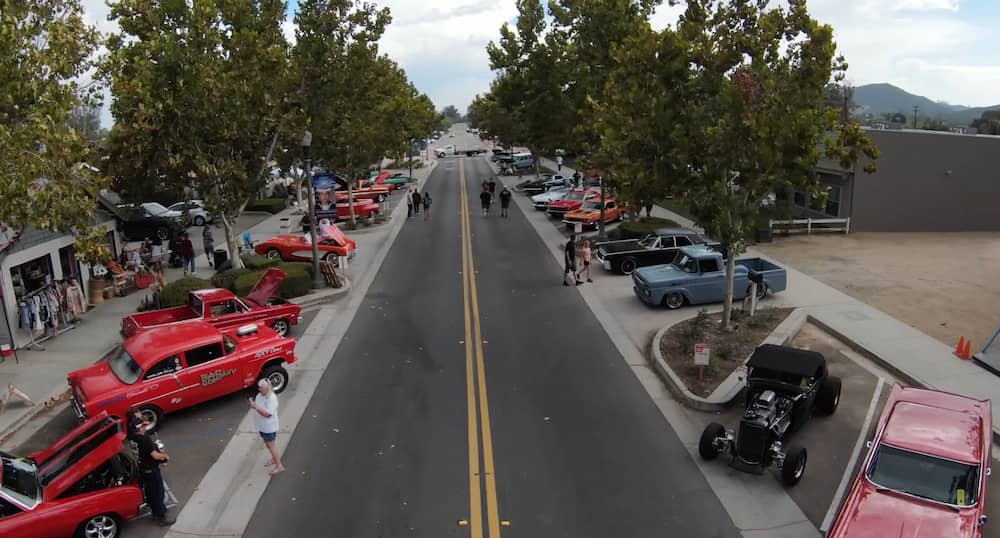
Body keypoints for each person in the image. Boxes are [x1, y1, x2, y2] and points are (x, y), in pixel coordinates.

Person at [133, 415, 175, 525]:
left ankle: (155, 512)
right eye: (144, 425)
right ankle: (161, 517)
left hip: (144, 468)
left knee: (151, 492)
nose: (146, 426)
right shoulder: (145, 439)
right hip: (151, 469)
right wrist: (165, 456)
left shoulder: (135, 437)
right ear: (140, 427)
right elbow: (155, 456)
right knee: (158, 492)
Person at [249, 379, 285, 475]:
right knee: (268, 445)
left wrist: (255, 407)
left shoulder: (272, 399)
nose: (259, 389)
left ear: (267, 388)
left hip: (269, 427)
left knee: (271, 445)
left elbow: (268, 414)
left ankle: (279, 465)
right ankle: (274, 459)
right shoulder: (259, 395)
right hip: (262, 426)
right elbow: (258, 406)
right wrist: (254, 404)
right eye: (259, 387)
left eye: (261, 388)